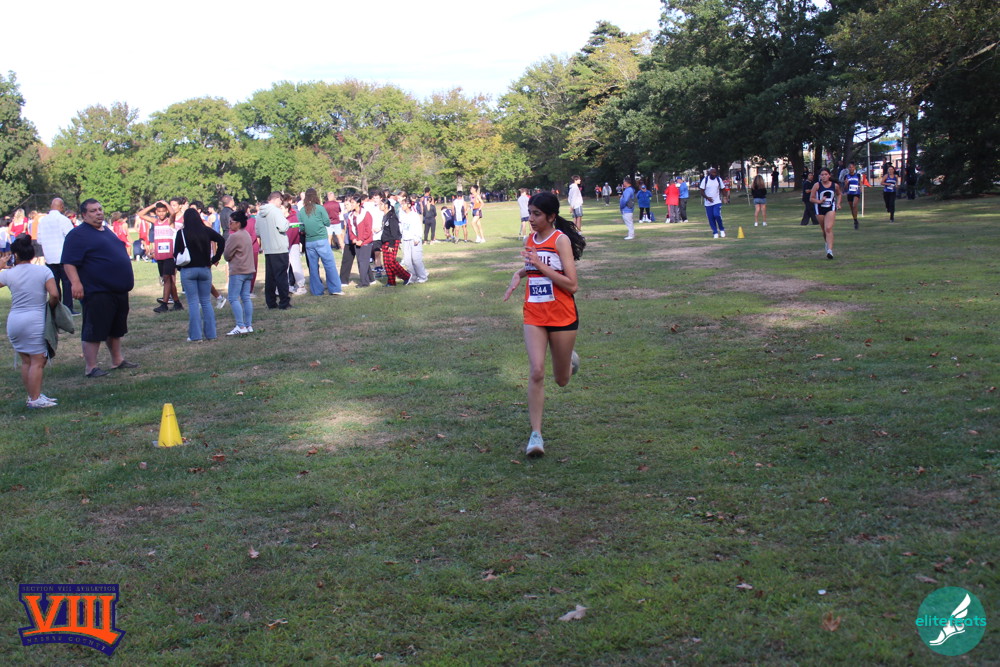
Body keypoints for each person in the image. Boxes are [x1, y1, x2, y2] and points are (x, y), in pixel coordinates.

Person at [502, 192, 586, 458]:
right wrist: (519, 273)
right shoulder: (530, 239)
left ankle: (569, 361)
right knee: (537, 371)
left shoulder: (560, 240)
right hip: (534, 314)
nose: (531, 218)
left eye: (537, 214)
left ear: (551, 216)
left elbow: (572, 284)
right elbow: (533, 268)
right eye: (530, 213)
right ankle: (536, 435)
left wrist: (539, 263)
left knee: (561, 380)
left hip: (562, 315)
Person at [61, 199, 138, 377]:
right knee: (95, 329)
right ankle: (91, 367)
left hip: (117, 290)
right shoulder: (77, 235)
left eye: (100, 209)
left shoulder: (106, 230)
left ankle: (117, 360)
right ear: (84, 215)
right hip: (97, 291)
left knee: (116, 329)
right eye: (93, 211)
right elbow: (69, 262)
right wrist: (76, 283)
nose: (99, 213)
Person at [0, 235, 61, 407]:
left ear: (15, 255)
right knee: (38, 361)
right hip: (35, 320)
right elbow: (54, 294)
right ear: (32, 254)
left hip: (15, 321)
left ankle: (33, 395)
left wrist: (1, 266)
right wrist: (50, 307)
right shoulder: (43, 271)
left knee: (27, 360)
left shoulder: (8, 274)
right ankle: (35, 399)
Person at [174, 208, 225, 341]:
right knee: (206, 302)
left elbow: (176, 253)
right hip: (204, 268)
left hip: (188, 270)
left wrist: (179, 268)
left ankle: (195, 336)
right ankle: (211, 334)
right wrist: (215, 258)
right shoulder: (206, 231)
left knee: (193, 303)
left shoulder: (182, 233)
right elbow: (221, 240)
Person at [139, 201, 184, 313]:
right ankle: (177, 303)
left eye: (163, 211)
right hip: (160, 256)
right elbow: (141, 214)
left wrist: (166, 204)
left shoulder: (169, 221)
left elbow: (173, 214)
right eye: (159, 211)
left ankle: (164, 304)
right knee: (168, 280)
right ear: (156, 212)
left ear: (166, 211)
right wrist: (154, 205)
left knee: (167, 278)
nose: (161, 213)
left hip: (169, 255)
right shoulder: (155, 222)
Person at [299, 188, 344, 296]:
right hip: (321, 240)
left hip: (309, 241)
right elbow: (327, 222)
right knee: (329, 264)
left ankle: (316, 290)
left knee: (313, 267)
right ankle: (335, 288)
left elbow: (302, 228)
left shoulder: (302, 211)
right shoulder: (320, 208)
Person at [36, 197, 78, 314]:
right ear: (62, 207)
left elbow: (39, 240)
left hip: (49, 256)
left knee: (54, 284)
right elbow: (71, 237)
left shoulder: (43, 221)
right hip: (63, 256)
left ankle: (57, 307)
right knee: (67, 282)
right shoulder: (63, 220)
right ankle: (68, 308)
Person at [256, 192, 291, 309]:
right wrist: (287, 222)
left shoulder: (259, 213)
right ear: (276, 199)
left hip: (268, 248)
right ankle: (284, 302)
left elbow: (257, 232)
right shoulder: (276, 211)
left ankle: (271, 302)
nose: (281, 203)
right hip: (279, 247)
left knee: (270, 278)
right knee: (281, 276)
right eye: (281, 201)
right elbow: (282, 227)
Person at [223, 210, 254, 335]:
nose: (229, 224)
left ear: (238, 223)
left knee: (233, 298)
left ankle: (240, 326)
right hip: (248, 270)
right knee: (246, 298)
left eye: (231, 222)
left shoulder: (234, 236)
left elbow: (226, 255)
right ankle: (248, 325)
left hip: (238, 271)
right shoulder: (246, 234)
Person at [341, 194, 374, 288]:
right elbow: (350, 229)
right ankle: (366, 280)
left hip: (366, 241)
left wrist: (362, 239)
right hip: (356, 241)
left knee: (363, 262)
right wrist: (354, 239)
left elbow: (368, 229)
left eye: (353, 203)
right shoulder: (351, 215)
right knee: (360, 261)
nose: (351, 204)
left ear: (358, 203)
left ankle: (364, 282)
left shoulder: (366, 214)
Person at [378, 196, 410, 286]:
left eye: (381, 204)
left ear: (386, 205)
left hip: (392, 241)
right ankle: (391, 281)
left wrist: (391, 244)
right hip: (385, 241)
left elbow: (394, 231)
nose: (379, 206)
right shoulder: (385, 216)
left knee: (391, 261)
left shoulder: (392, 216)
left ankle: (407, 276)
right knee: (386, 263)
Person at [810, 168, 842, 259]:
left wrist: (838, 204)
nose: (824, 176)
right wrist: (819, 201)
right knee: (824, 230)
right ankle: (827, 244)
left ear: (829, 175)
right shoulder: (817, 185)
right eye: (822, 175)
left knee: (828, 228)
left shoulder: (835, 185)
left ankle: (830, 251)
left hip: (830, 208)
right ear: (820, 176)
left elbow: (839, 194)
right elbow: (811, 198)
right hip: (819, 208)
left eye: (825, 174)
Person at [400, 197, 428, 284]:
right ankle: (413, 276)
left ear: (409, 205)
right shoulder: (402, 215)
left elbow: (418, 227)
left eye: (404, 204)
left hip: (414, 239)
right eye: (402, 204)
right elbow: (401, 227)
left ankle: (422, 276)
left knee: (416, 259)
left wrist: (417, 237)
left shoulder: (414, 215)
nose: (402, 206)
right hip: (405, 239)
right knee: (407, 260)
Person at [699, 168, 726, 238]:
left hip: (717, 201)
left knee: (717, 215)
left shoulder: (718, 179)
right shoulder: (705, 180)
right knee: (711, 218)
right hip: (708, 203)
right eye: (712, 173)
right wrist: (707, 198)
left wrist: (725, 197)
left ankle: (722, 229)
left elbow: (723, 188)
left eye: (715, 173)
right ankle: (715, 232)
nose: (714, 174)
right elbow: (701, 191)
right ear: (709, 173)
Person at [842, 162, 862, 229]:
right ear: (848, 168)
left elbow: (860, 183)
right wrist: (846, 183)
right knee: (852, 208)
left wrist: (861, 189)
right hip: (850, 193)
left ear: (854, 168)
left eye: (852, 167)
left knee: (854, 205)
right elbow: (845, 188)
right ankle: (855, 220)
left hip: (856, 193)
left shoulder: (858, 175)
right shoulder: (846, 176)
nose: (851, 168)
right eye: (850, 167)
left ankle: (855, 221)